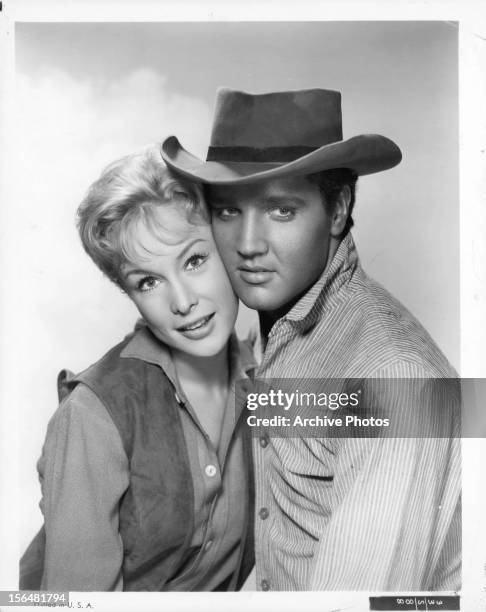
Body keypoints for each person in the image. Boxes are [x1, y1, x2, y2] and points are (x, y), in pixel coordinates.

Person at [160, 87, 461, 591]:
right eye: (229, 211)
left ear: (338, 209)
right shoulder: (276, 333)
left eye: (281, 211)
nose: (249, 246)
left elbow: (362, 602)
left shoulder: (391, 376)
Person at [19, 146, 256, 591]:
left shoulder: (272, 381)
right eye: (148, 281)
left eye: (195, 260)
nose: (183, 301)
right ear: (129, 293)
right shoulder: (93, 415)